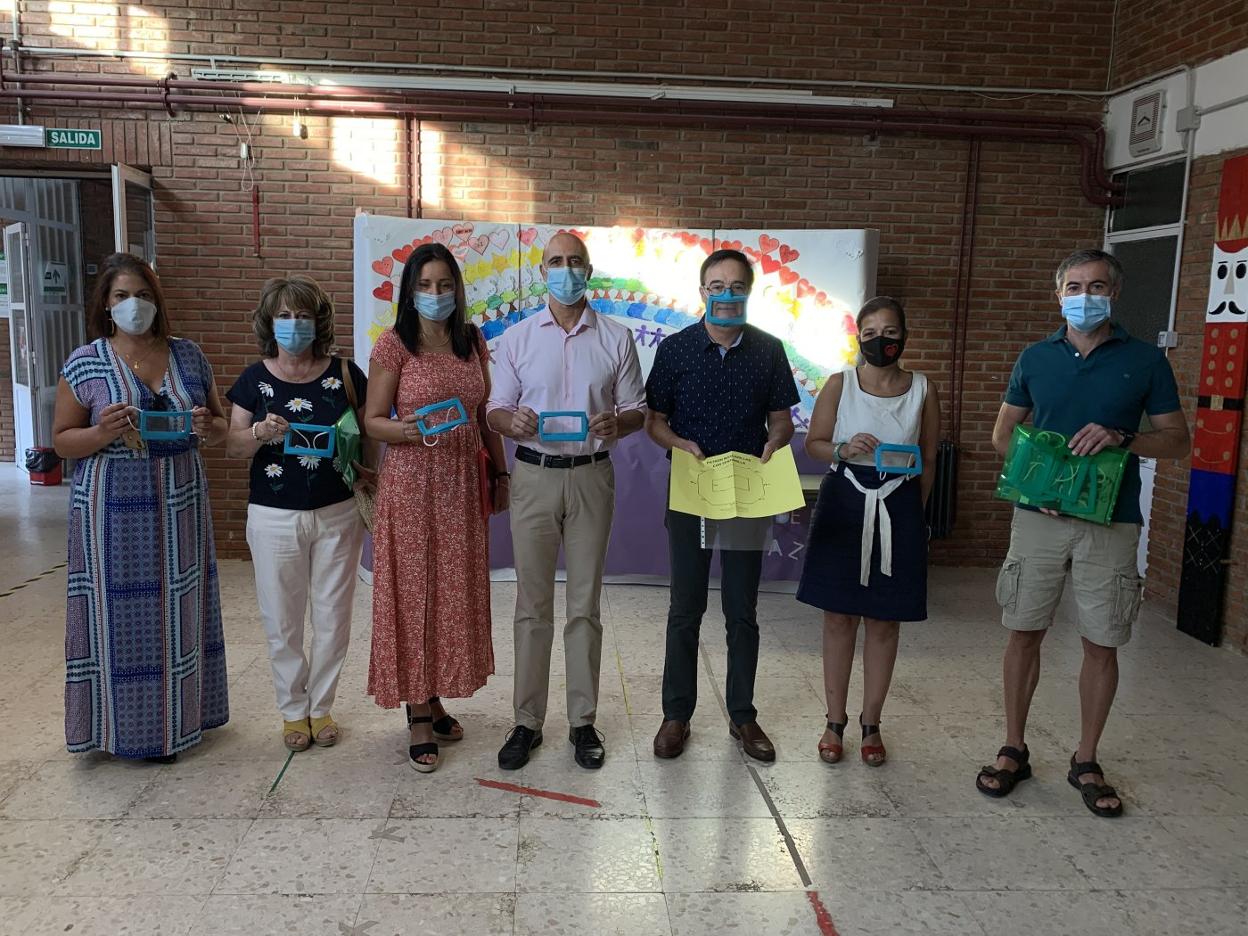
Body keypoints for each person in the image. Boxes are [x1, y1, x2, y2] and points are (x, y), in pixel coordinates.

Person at [975, 248, 1190, 817]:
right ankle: (1013, 748)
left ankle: (1087, 758)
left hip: (1111, 521)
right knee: (1023, 630)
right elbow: (1003, 436)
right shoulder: (1035, 358)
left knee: (1102, 640)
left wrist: (1124, 437)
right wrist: (1037, 486)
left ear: (1113, 294)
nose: (1085, 295)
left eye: (1096, 286)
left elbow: (1177, 440)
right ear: (1059, 295)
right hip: (1039, 518)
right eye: (1074, 286)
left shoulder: (1145, 361)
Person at [52, 252, 229, 762]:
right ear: (106, 305)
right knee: (118, 614)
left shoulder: (188, 356)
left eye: (144, 295)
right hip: (111, 506)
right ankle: (121, 730)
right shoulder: (85, 362)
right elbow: (62, 441)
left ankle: (180, 722)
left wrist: (207, 426)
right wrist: (101, 431)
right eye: (123, 296)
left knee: (180, 608)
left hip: (179, 501)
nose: (135, 304)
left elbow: (219, 428)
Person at [486, 231, 646, 771]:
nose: (566, 269)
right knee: (532, 605)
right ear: (542, 272)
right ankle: (527, 722)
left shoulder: (616, 337)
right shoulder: (517, 338)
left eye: (575, 261)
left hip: (590, 476)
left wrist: (619, 422)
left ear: (589, 271)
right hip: (533, 475)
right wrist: (511, 421)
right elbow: (495, 408)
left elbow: (637, 408)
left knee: (584, 605)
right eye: (556, 261)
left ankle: (582, 722)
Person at [644, 247, 800, 762]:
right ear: (702, 293)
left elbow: (782, 418)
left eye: (736, 287)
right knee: (685, 607)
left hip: (747, 492)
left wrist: (776, 441)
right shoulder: (676, 350)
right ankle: (676, 715)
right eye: (717, 287)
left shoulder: (768, 350)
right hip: (691, 489)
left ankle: (743, 716)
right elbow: (654, 421)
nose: (726, 295)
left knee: (742, 609)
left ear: (749, 293)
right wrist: (678, 443)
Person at [364, 243, 508, 774]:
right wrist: (403, 431)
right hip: (411, 485)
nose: (435, 294)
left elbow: (484, 411)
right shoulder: (393, 344)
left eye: (445, 284)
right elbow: (372, 419)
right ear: (409, 291)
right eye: (424, 285)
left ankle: (437, 694)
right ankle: (418, 711)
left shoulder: (473, 340)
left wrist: (500, 472)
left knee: (450, 595)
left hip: (461, 487)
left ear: (457, 289)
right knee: (414, 595)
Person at [226, 275, 372, 752]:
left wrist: (366, 470)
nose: (294, 324)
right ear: (269, 323)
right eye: (284, 315)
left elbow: (367, 435)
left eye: (303, 315)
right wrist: (260, 432)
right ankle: (293, 711)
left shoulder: (346, 373)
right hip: (273, 515)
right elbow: (232, 446)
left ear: (319, 321)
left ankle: (321, 707)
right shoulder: (253, 380)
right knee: (282, 619)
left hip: (337, 510)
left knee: (333, 616)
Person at [796, 297, 940, 766]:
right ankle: (834, 720)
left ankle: (872, 722)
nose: (882, 340)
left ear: (905, 336)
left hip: (900, 503)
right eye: (872, 332)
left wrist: (915, 512)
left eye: (891, 331)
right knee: (838, 616)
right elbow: (815, 444)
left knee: (884, 619)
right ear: (859, 337)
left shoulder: (923, 389)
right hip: (846, 498)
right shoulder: (840, 384)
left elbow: (930, 458)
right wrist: (843, 447)